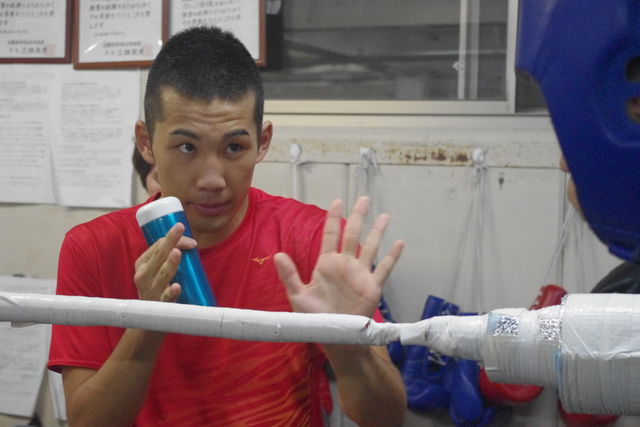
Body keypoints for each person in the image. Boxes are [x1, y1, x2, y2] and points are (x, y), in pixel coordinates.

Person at [48, 26, 406, 427]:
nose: (212, 179)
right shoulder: (93, 247)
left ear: (262, 141)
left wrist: (349, 349)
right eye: (187, 147)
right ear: (146, 142)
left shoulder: (310, 239)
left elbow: (387, 419)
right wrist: (146, 323)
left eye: (234, 147)